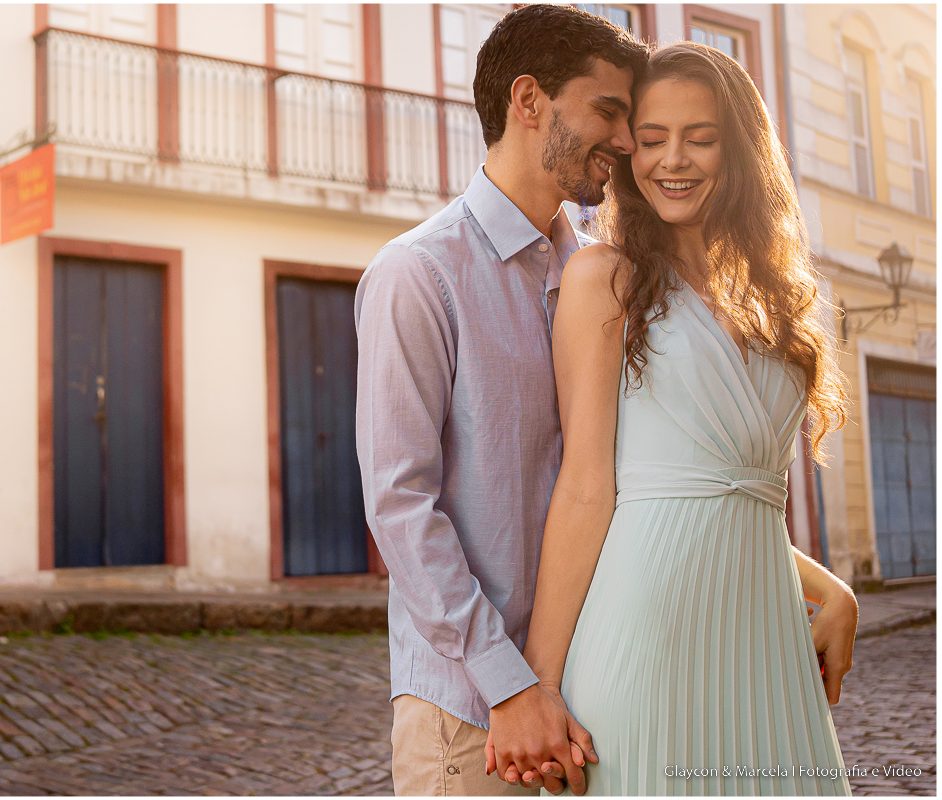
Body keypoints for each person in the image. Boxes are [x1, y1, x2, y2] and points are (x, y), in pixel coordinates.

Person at [491, 42, 858, 795]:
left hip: (764, 637)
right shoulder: (604, 278)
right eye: (652, 138)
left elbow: (725, 490)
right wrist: (540, 684)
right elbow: (588, 488)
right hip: (646, 632)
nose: (673, 160)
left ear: (741, 150)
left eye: (701, 137)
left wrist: (833, 589)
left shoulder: (768, 302)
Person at [354, 5, 647, 796]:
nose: (627, 140)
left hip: (597, 697)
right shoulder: (417, 274)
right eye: (608, 111)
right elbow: (400, 505)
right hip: (475, 719)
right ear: (529, 101)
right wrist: (510, 686)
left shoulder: (604, 280)